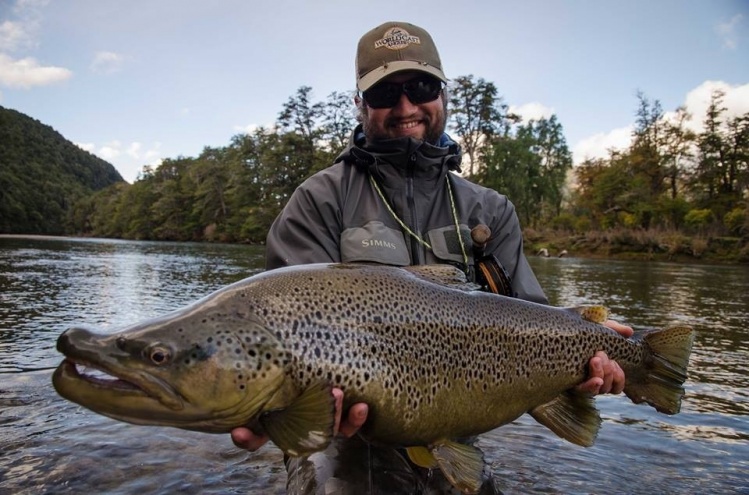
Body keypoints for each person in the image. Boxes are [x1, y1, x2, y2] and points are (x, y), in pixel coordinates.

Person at [232, 21, 633, 494]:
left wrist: (591, 358)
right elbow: (278, 333)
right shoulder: (319, 201)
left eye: (421, 87)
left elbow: (535, 321)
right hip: (340, 437)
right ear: (360, 104)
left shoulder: (490, 209)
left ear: (443, 94)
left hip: (455, 424)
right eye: (384, 93)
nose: (406, 107)